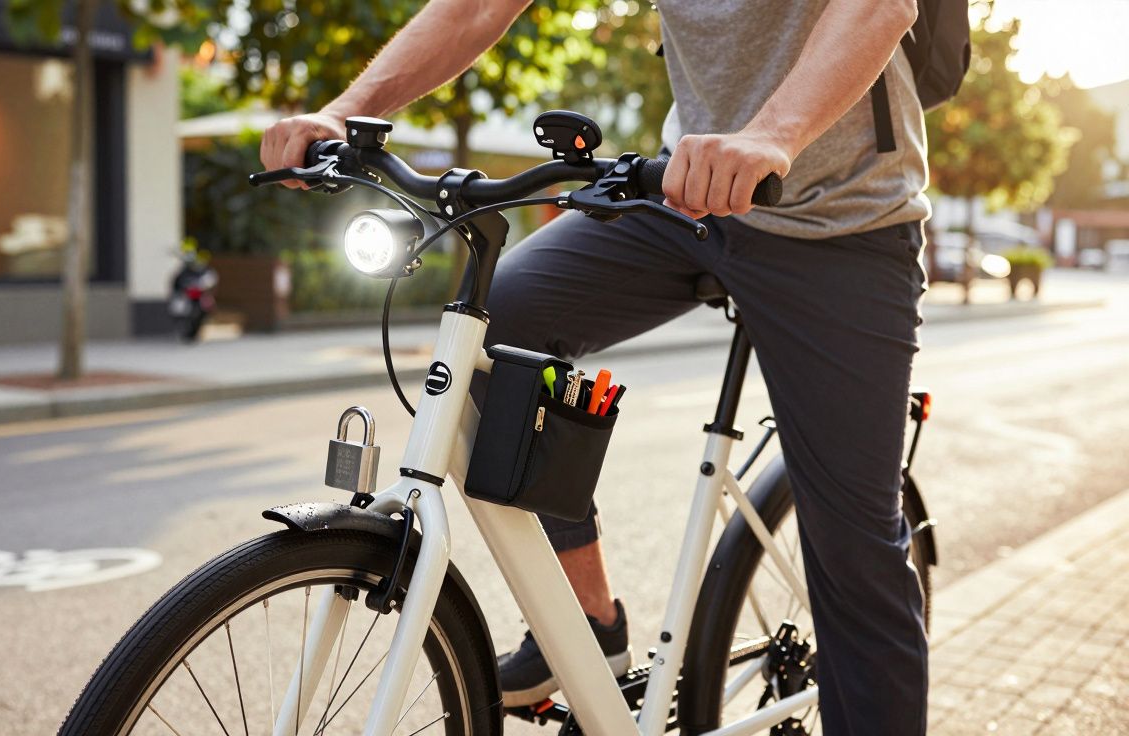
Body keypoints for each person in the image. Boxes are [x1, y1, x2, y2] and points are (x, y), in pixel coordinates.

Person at [261, 1, 930, 733]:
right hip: (688, 198)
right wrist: (347, 112)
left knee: (854, 553)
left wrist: (772, 135)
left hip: (841, 223)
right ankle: (586, 624)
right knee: (500, 323)